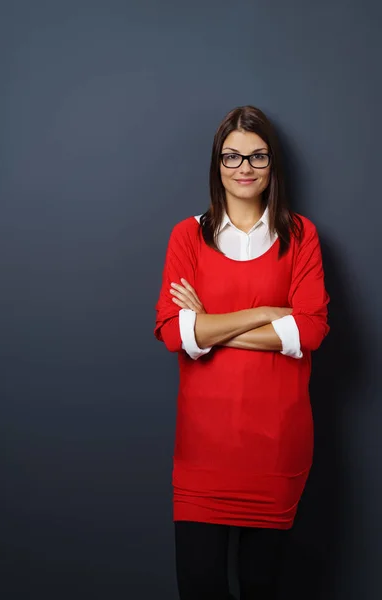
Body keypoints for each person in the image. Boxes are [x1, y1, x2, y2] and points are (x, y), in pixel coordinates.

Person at [154, 105, 330, 600]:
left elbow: (310, 331)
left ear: (272, 164)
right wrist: (269, 312)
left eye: (257, 156)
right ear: (217, 164)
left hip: (276, 448)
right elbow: (173, 333)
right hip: (202, 451)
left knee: (261, 586)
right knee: (200, 587)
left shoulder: (301, 236)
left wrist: (208, 325)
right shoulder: (186, 235)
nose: (244, 168)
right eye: (231, 157)